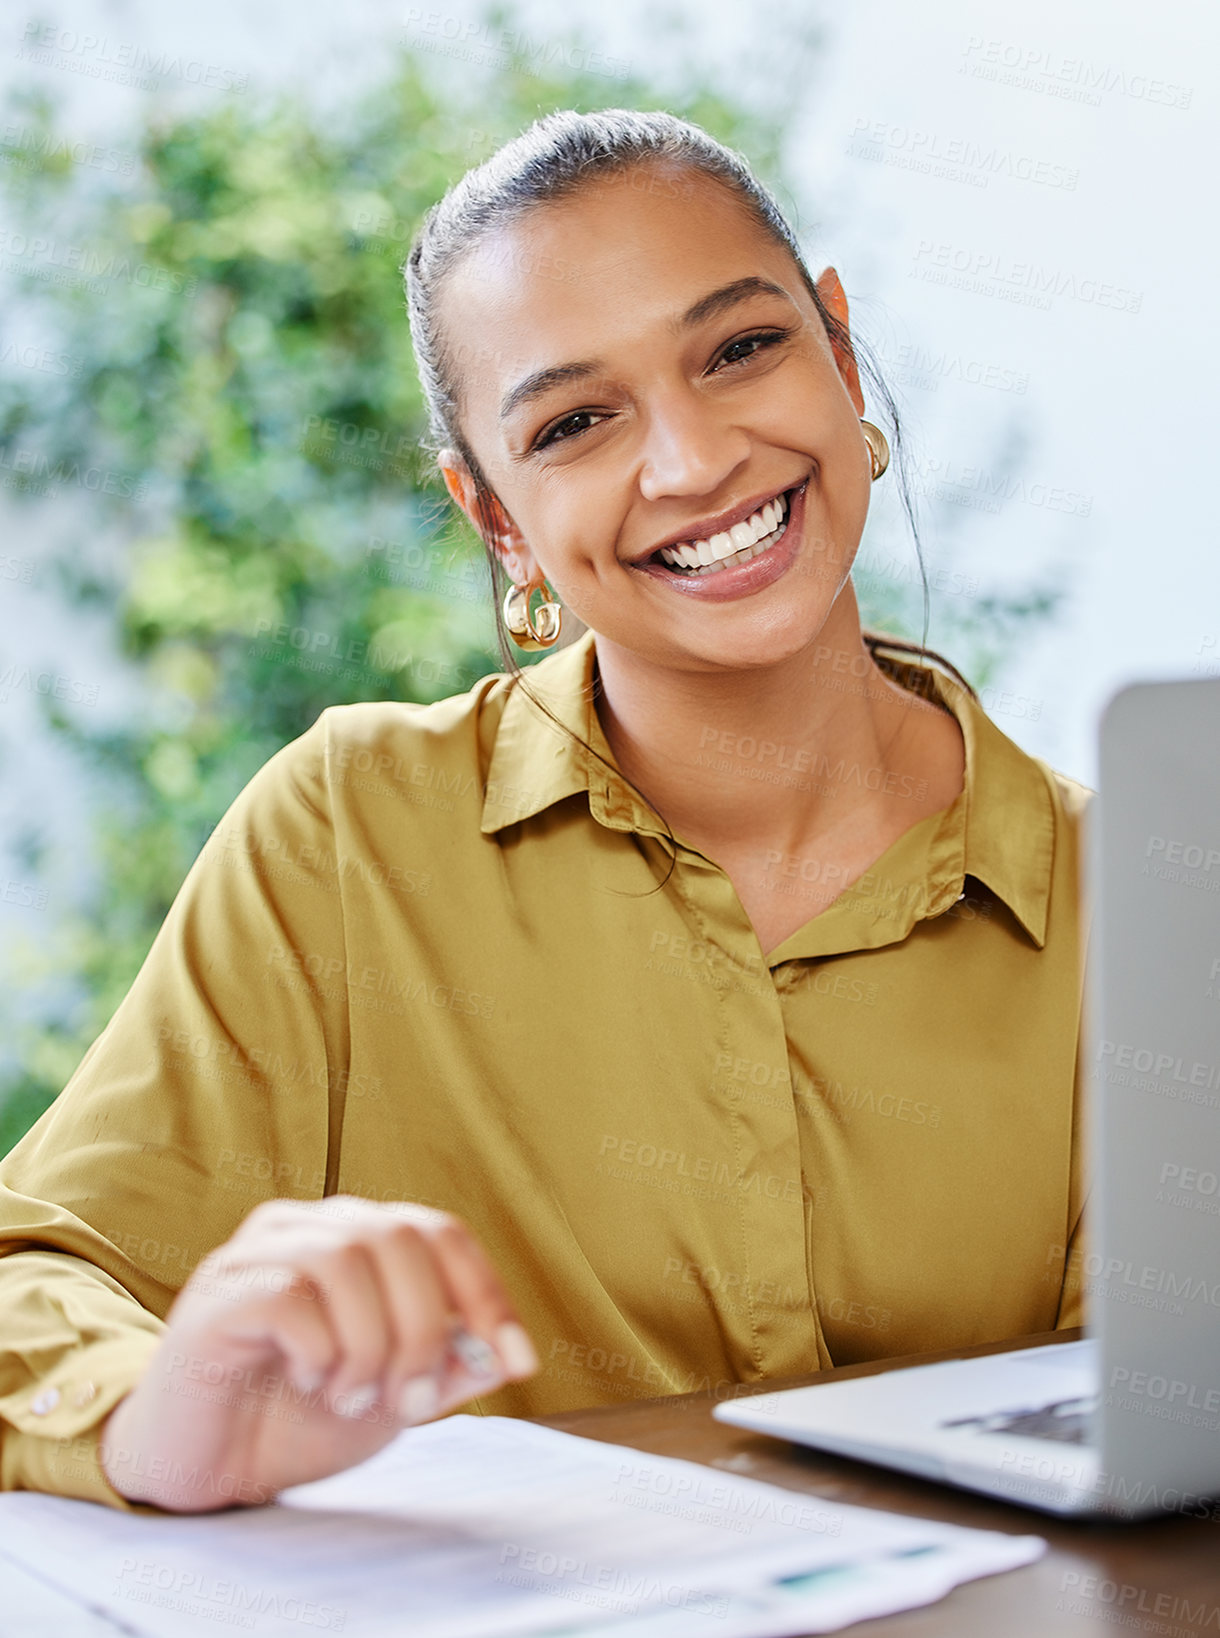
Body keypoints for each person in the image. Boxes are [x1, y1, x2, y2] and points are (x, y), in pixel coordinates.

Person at [0, 108, 1090, 1514]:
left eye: (741, 347)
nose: (693, 462)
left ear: (836, 343)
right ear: (497, 515)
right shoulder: (350, 835)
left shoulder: (1128, 898)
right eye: (576, 421)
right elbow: (35, 1278)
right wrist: (169, 1413)